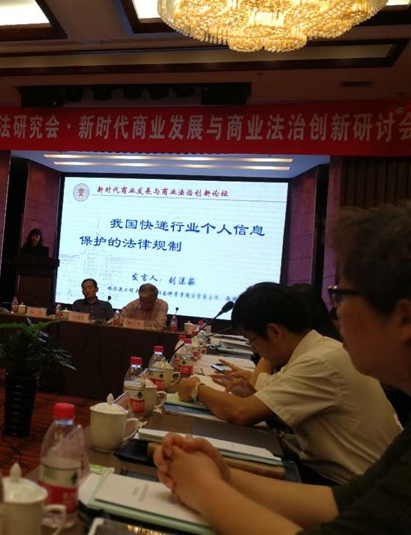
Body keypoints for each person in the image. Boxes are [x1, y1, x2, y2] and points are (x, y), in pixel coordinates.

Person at [155, 204, 411, 534]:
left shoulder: (323, 360)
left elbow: (240, 413)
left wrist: (203, 487)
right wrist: (222, 474)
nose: (336, 315)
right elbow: (342, 503)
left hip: (325, 475)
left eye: (342, 297)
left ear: (404, 318)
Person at [177, 281, 399, 485]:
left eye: (252, 340)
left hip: (350, 487)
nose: (253, 349)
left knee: (212, 473)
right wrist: (253, 393)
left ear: (275, 331)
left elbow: (239, 413)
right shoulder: (318, 350)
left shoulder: (318, 361)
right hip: (354, 478)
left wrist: (196, 387)